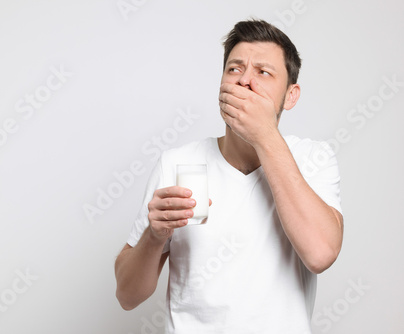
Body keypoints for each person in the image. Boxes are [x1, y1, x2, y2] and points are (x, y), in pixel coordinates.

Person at [114, 19, 344, 333]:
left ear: (290, 96)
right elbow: (127, 296)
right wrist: (153, 238)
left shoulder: (313, 158)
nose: (245, 80)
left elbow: (320, 254)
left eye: (263, 72)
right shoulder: (178, 162)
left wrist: (264, 136)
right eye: (234, 69)